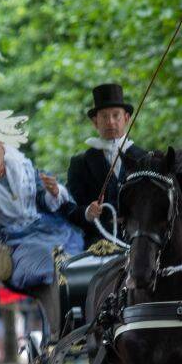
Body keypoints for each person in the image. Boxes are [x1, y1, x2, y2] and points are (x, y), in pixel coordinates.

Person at [0, 136, 83, 343]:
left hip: (47, 231)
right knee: (48, 264)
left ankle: (83, 317)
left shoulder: (24, 170)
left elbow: (46, 200)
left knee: (76, 260)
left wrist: (54, 191)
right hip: (12, 241)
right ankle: (58, 329)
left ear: (4, 149)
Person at [65, 83, 147, 247]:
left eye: (116, 115)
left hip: (140, 244)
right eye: (104, 116)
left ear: (126, 118)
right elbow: (69, 208)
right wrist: (87, 212)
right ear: (95, 122)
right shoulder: (80, 163)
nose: (110, 122)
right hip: (97, 246)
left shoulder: (144, 159)